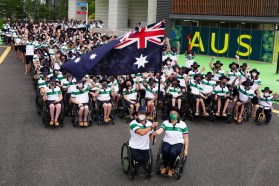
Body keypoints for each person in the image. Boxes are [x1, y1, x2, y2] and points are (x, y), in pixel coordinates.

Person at [152, 107, 189, 177]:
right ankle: (165, 166)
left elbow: (186, 138)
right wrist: (156, 132)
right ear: (169, 114)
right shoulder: (165, 123)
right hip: (167, 141)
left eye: (175, 113)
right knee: (164, 151)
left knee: (172, 153)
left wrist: (186, 150)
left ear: (178, 115)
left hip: (178, 143)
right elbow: (160, 130)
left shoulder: (183, 124)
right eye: (171, 113)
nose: (173, 114)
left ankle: (171, 167)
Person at [129, 106, 158, 177]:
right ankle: (136, 166)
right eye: (140, 113)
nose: (142, 115)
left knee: (145, 160)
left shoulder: (149, 123)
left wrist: (153, 137)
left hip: (145, 147)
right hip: (134, 146)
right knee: (136, 161)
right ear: (137, 115)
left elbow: (150, 134)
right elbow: (142, 133)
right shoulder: (133, 123)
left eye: (143, 113)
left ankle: (143, 166)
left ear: (146, 115)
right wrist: (151, 127)